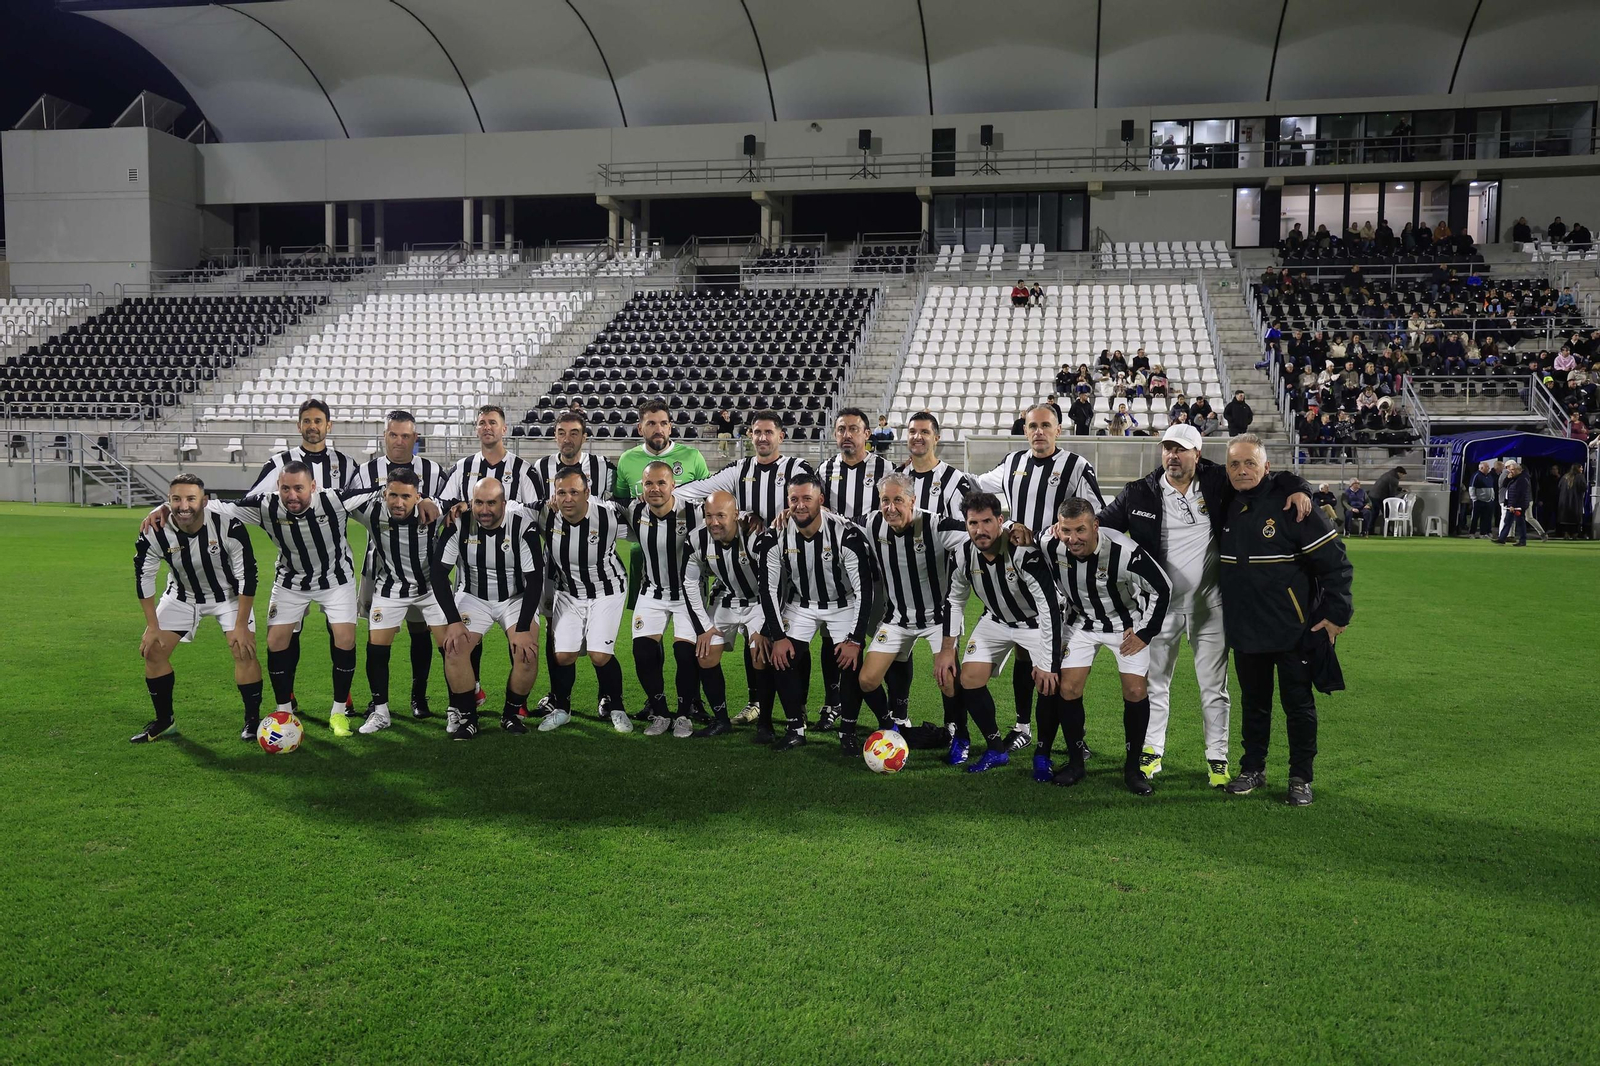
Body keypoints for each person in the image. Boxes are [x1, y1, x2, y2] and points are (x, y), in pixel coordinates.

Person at [1097, 424, 1310, 787]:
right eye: (1167, 448)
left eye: (1180, 450)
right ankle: (1151, 752)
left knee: (1214, 687)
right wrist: (1058, 530)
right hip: (1158, 611)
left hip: (1211, 607)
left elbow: (1267, 476)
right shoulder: (1139, 493)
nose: (1172, 456)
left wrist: (1301, 489)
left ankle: (1217, 758)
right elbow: (1099, 527)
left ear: (1198, 454)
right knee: (1156, 684)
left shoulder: (1218, 480)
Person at [1218, 434, 1354, 807]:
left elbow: (1336, 565)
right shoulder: (1224, 502)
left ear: (1266, 467)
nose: (1242, 470)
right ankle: (1253, 769)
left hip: (1295, 630)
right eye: (1234, 464)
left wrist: (1335, 616)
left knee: (1298, 705)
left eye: (1250, 463)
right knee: (1254, 704)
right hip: (1245, 629)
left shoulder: (1295, 506)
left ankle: (1300, 777)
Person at [973, 402, 1105, 751]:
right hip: (1020, 576)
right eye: (1032, 426)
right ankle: (1022, 726)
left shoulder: (1077, 466)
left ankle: (1074, 740)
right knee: (1023, 654)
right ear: (1025, 428)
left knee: (1058, 666)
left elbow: (1097, 514)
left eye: (1046, 425)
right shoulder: (1012, 463)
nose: (1039, 432)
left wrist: (1054, 532)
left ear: (1059, 429)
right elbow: (977, 486)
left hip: (1061, 579)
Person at [1036, 499, 1171, 794]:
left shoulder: (1124, 552)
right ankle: (1075, 762)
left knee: (1135, 690)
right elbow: (1025, 536)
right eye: (1066, 530)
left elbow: (1162, 587)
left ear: (1095, 526)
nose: (1073, 539)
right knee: (1068, 688)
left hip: (1125, 627)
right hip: (1081, 625)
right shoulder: (1051, 543)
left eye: (1080, 530)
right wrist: (1013, 527)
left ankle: (1133, 768)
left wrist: (1145, 632)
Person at [130, 475, 262, 744]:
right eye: (176, 499)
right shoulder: (154, 530)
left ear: (204, 501)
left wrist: (240, 627)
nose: (183, 505)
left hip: (228, 596)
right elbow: (143, 576)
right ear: (168, 501)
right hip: (182, 595)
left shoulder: (228, 526)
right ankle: (165, 721)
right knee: (153, 650)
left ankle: (252, 720)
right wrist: (153, 627)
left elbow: (248, 575)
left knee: (243, 650)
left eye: (191, 499)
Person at [935, 492, 1059, 774]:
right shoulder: (963, 554)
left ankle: (1043, 753)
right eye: (973, 523)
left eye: (987, 521)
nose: (980, 530)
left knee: (1050, 683)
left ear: (1000, 521)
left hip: (1036, 623)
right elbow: (954, 601)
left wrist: (1049, 662)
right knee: (969, 679)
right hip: (996, 621)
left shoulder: (1022, 552)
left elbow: (1049, 607)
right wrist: (946, 649)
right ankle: (995, 749)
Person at [758, 474, 875, 751]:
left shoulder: (846, 534)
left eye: (806, 499)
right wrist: (778, 637)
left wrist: (855, 640)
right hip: (802, 604)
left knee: (850, 662)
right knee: (782, 658)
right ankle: (795, 727)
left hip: (842, 603)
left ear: (820, 501)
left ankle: (847, 731)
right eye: (794, 499)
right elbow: (768, 589)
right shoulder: (775, 536)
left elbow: (864, 591)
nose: (800, 505)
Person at [347, 409, 449, 721]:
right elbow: (348, 498)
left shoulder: (432, 470)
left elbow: (451, 501)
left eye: (406, 436)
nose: (399, 442)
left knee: (421, 632)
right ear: (385, 437)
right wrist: (386, 495)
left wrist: (432, 501)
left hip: (424, 567)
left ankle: (419, 697)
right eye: (393, 435)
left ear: (415, 439)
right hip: (381, 566)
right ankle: (379, 703)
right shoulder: (368, 470)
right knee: (378, 634)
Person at [857, 473, 971, 749]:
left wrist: (1013, 528)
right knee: (867, 680)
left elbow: (976, 533)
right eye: (885, 500)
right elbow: (837, 523)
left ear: (912, 501)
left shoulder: (936, 525)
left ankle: (958, 733)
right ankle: (891, 725)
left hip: (938, 619)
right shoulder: (872, 522)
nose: (890, 507)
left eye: (898, 500)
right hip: (897, 618)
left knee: (948, 680)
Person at [431, 477, 544, 741]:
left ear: (504, 503)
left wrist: (525, 627)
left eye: (492, 503)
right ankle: (468, 718)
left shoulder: (522, 526)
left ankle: (511, 713)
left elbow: (535, 579)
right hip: (473, 597)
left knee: (527, 652)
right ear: (471, 502)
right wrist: (454, 621)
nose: (484, 510)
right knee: (454, 647)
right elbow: (438, 574)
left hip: (514, 598)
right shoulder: (458, 523)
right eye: (479, 502)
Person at [814, 408, 895, 731]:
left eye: (854, 429)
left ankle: (896, 708)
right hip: (836, 573)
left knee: (886, 639)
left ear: (867, 434)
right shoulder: (825, 468)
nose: (847, 435)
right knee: (829, 639)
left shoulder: (885, 468)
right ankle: (832, 703)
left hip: (876, 570)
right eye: (841, 429)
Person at [536, 469, 631, 730]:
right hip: (569, 592)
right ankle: (562, 709)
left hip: (607, 590)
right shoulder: (545, 514)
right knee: (563, 655)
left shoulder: (608, 514)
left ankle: (617, 707)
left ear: (587, 493)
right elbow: (512, 509)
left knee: (600, 655)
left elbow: (644, 514)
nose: (567, 499)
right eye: (562, 492)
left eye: (574, 492)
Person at [681, 491, 774, 738]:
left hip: (759, 601)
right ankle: (721, 720)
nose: (714, 522)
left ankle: (765, 723)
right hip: (726, 597)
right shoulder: (697, 539)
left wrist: (765, 630)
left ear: (736, 515)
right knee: (706, 653)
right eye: (709, 516)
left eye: (721, 516)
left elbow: (771, 585)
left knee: (760, 654)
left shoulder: (755, 536)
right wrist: (703, 628)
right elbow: (689, 583)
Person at [625, 461, 706, 737]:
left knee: (685, 654)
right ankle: (660, 713)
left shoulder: (695, 513)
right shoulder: (635, 510)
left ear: (673, 485)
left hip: (687, 596)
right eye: (649, 483)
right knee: (643, 652)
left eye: (661, 483)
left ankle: (684, 715)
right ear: (642, 487)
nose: (655, 489)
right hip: (652, 593)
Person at [247, 397, 358, 494]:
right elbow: (252, 501)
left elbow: (362, 505)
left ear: (328, 426)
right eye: (306, 421)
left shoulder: (347, 464)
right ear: (299, 426)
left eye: (318, 421)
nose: (312, 426)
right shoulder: (279, 463)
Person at [441, 404, 537, 503]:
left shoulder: (523, 469)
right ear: (476, 430)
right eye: (482, 423)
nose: (487, 427)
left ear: (504, 429)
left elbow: (533, 511)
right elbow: (443, 505)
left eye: (492, 423)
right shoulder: (461, 467)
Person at [898, 411, 974, 521]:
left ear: (936, 439)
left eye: (924, 432)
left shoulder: (954, 479)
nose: (917, 437)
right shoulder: (896, 476)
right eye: (912, 432)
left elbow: (963, 528)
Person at [1493, 461, 1532, 546]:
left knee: (1520, 523)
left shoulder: (1522, 479)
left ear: (1519, 470)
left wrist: (1513, 506)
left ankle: (1522, 541)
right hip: (1511, 504)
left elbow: (1519, 494)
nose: (1511, 471)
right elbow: (1504, 485)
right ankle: (1502, 538)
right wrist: (1508, 478)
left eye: (1513, 470)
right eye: (1510, 470)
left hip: (1518, 506)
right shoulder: (1514, 478)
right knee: (1507, 521)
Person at [1369, 465, 1406, 536]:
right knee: (1387, 514)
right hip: (1380, 497)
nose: (1402, 477)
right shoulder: (1394, 479)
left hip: (1373, 495)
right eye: (1403, 475)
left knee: (1374, 514)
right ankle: (1386, 531)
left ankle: (1369, 530)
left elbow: (1390, 486)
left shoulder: (1389, 474)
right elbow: (1392, 493)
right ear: (1399, 473)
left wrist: (1400, 489)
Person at [1467, 461, 1498, 538]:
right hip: (1479, 501)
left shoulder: (1489, 476)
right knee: (1475, 518)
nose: (1489, 468)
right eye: (1487, 467)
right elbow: (1472, 488)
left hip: (1488, 501)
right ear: (1481, 468)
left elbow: (1491, 488)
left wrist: (1492, 497)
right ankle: (1472, 533)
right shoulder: (1476, 475)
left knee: (1485, 518)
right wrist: (1474, 499)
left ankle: (1483, 533)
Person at [1557, 464, 1586, 539]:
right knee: (1575, 519)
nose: (1582, 469)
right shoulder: (1580, 477)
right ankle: (1575, 534)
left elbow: (1559, 486)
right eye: (1581, 467)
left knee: (1566, 519)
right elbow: (1584, 487)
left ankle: (1566, 533)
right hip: (1575, 501)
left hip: (1564, 501)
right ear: (1577, 468)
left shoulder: (1565, 477)